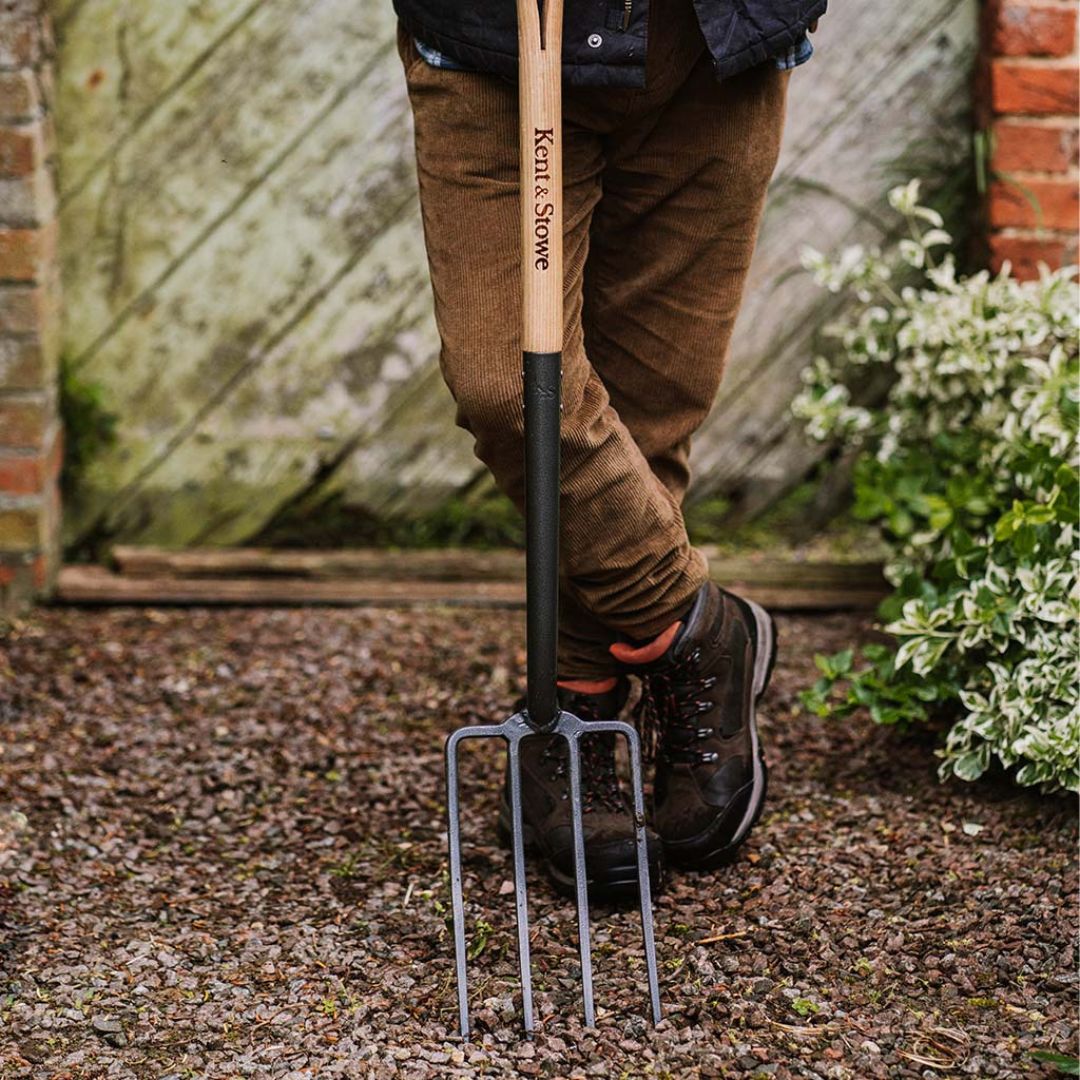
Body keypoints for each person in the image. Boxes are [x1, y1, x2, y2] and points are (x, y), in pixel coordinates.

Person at [394, 0, 824, 898]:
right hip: (493, 43)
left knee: (649, 410)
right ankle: (696, 628)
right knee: (509, 386)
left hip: (714, 38)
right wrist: (675, 610)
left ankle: (578, 711)